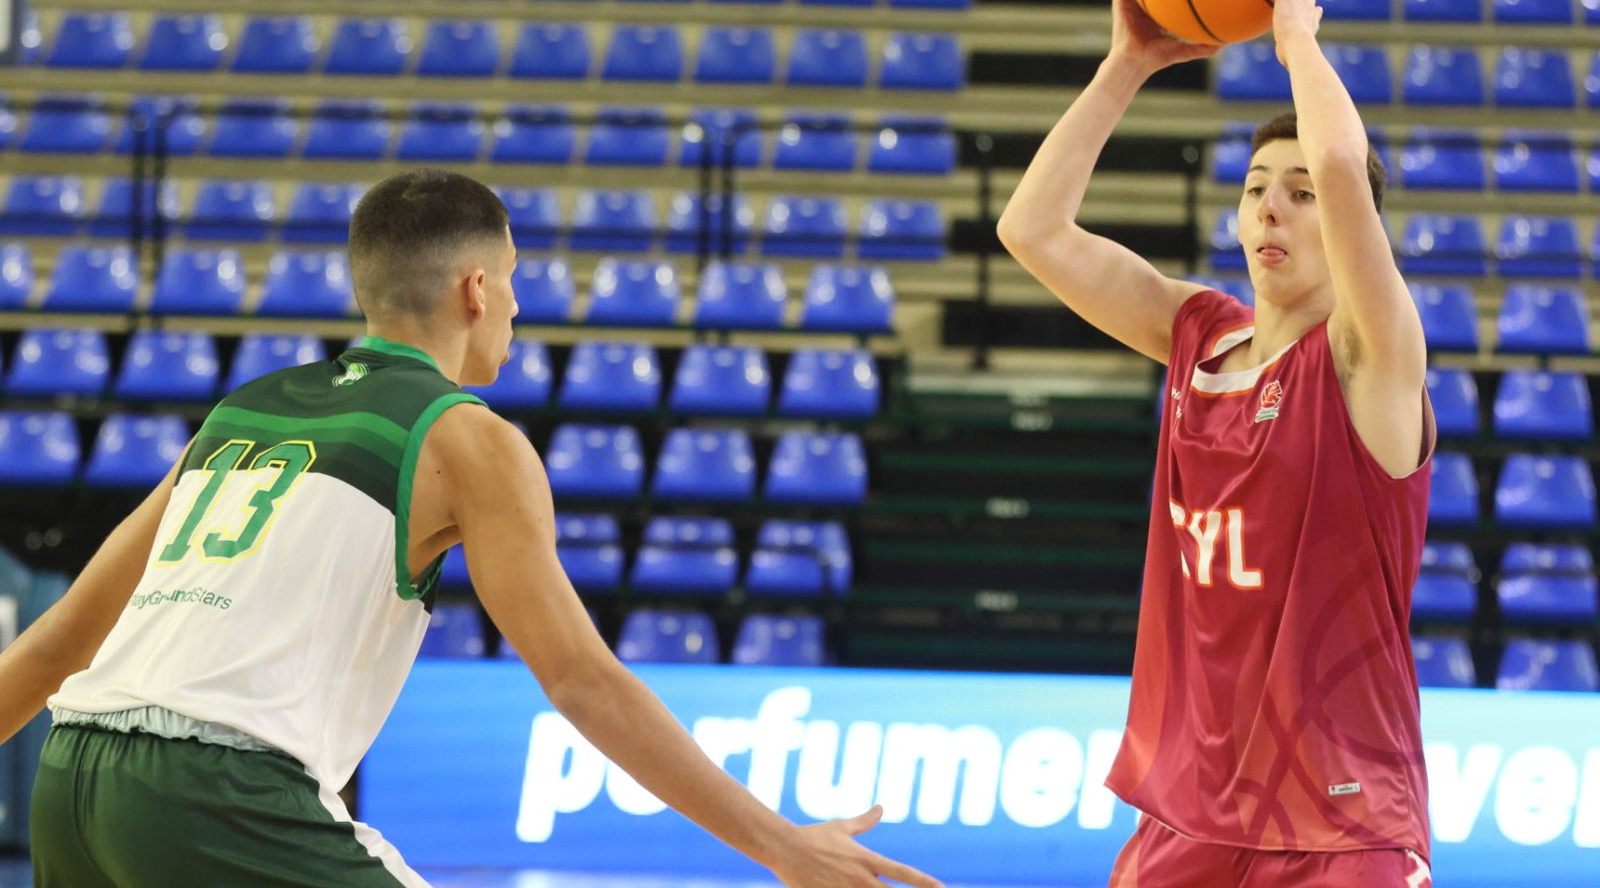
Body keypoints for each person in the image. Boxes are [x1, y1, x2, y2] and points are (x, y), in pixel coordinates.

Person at [0, 169, 943, 888]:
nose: (520, 309)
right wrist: (783, 847)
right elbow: (582, 681)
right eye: (518, 283)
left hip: (73, 779)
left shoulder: (242, 411)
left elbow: (55, 648)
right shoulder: (467, 438)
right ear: (476, 287)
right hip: (217, 794)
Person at [998, 0, 1434, 887]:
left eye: (1301, 194)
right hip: (1195, 806)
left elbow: (1346, 163)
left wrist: (1296, 44)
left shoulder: (1372, 357)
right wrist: (1128, 63)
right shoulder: (1197, 333)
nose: (1270, 209)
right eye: (1254, 190)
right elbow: (1030, 229)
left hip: (1345, 817)